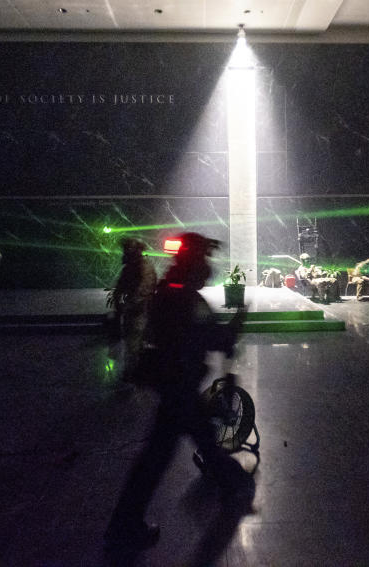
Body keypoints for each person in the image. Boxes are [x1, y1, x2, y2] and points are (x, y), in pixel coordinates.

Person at [104, 232, 249, 552]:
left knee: (191, 441)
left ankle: (232, 482)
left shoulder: (168, 291)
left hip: (174, 384)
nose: (207, 266)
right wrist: (236, 324)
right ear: (193, 263)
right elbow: (215, 339)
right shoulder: (185, 298)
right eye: (204, 259)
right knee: (159, 456)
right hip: (179, 386)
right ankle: (124, 526)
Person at [107, 237, 157, 381]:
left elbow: (144, 290)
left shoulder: (144, 267)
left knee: (135, 343)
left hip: (142, 310)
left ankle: (133, 372)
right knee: (133, 343)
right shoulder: (131, 267)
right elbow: (120, 288)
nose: (126, 253)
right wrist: (119, 308)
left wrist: (128, 305)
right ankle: (135, 371)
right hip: (133, 310)